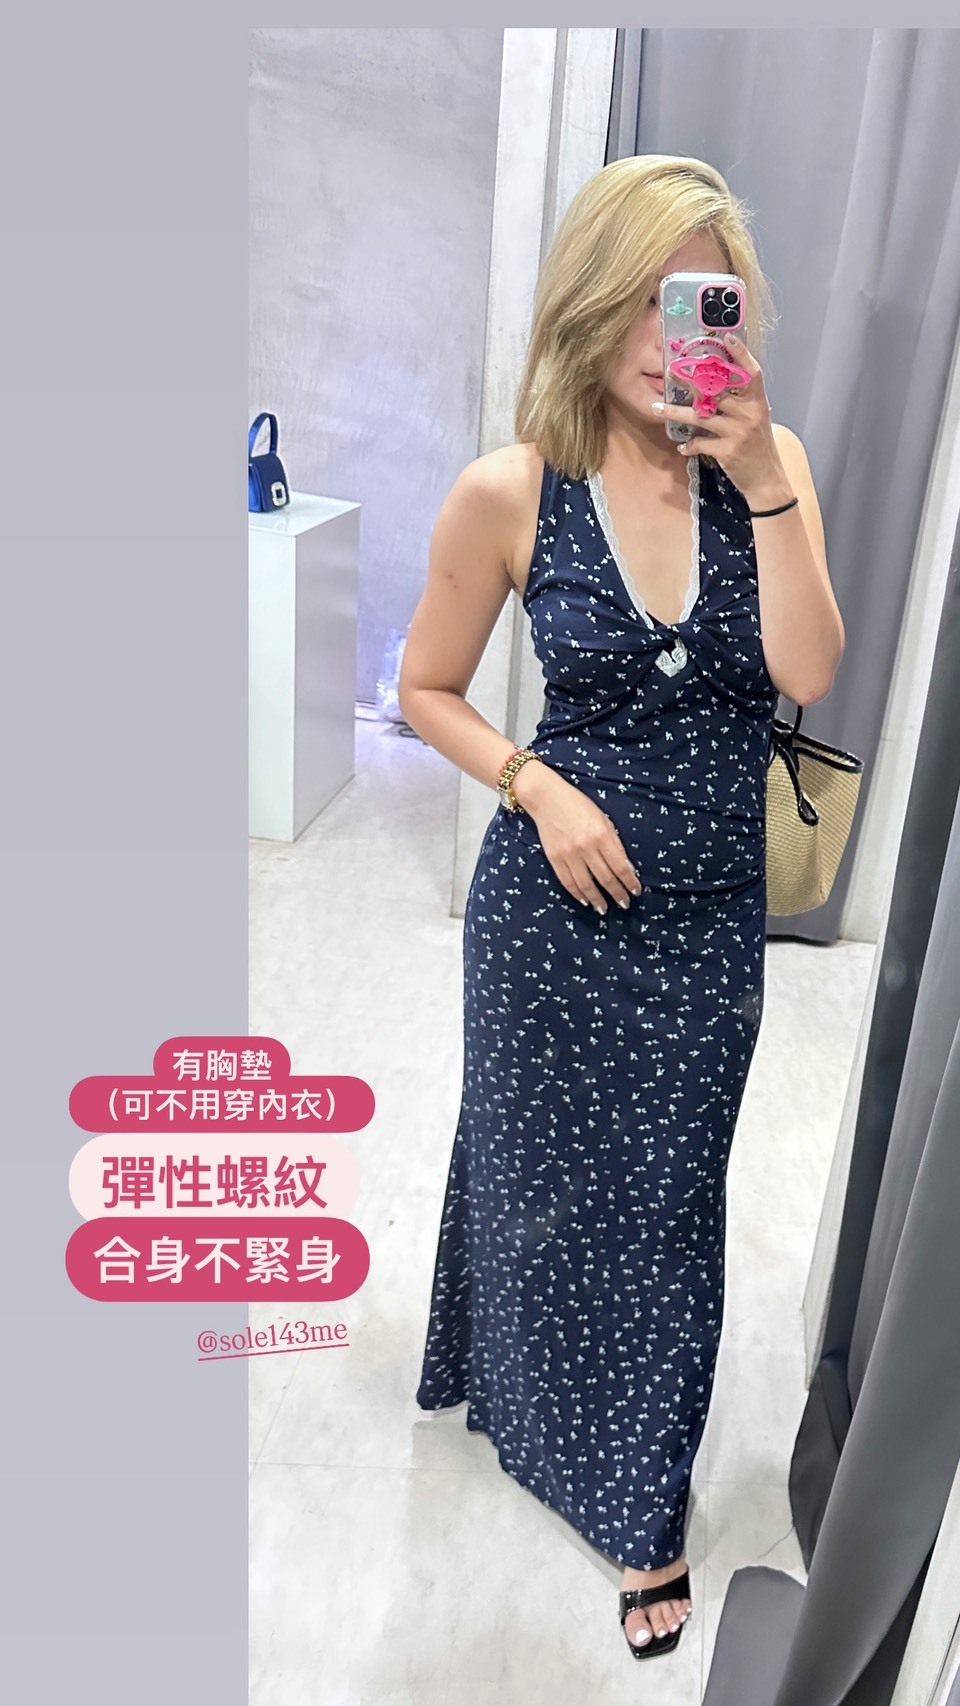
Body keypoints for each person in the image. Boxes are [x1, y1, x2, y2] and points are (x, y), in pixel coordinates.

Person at [398, 153, 844, 1661]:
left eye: (703, 302)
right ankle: (513, 1398)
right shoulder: (515, 487)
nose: (673, 341)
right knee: (530, 1175)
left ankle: (642, 1502)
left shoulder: (770, 468)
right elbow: (427, 688)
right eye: (646, 303)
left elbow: (809, 670)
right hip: (547, 918)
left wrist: (765, 478)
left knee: (665, 1211)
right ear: (591, 311)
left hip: (706, 925)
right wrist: (537, 784)